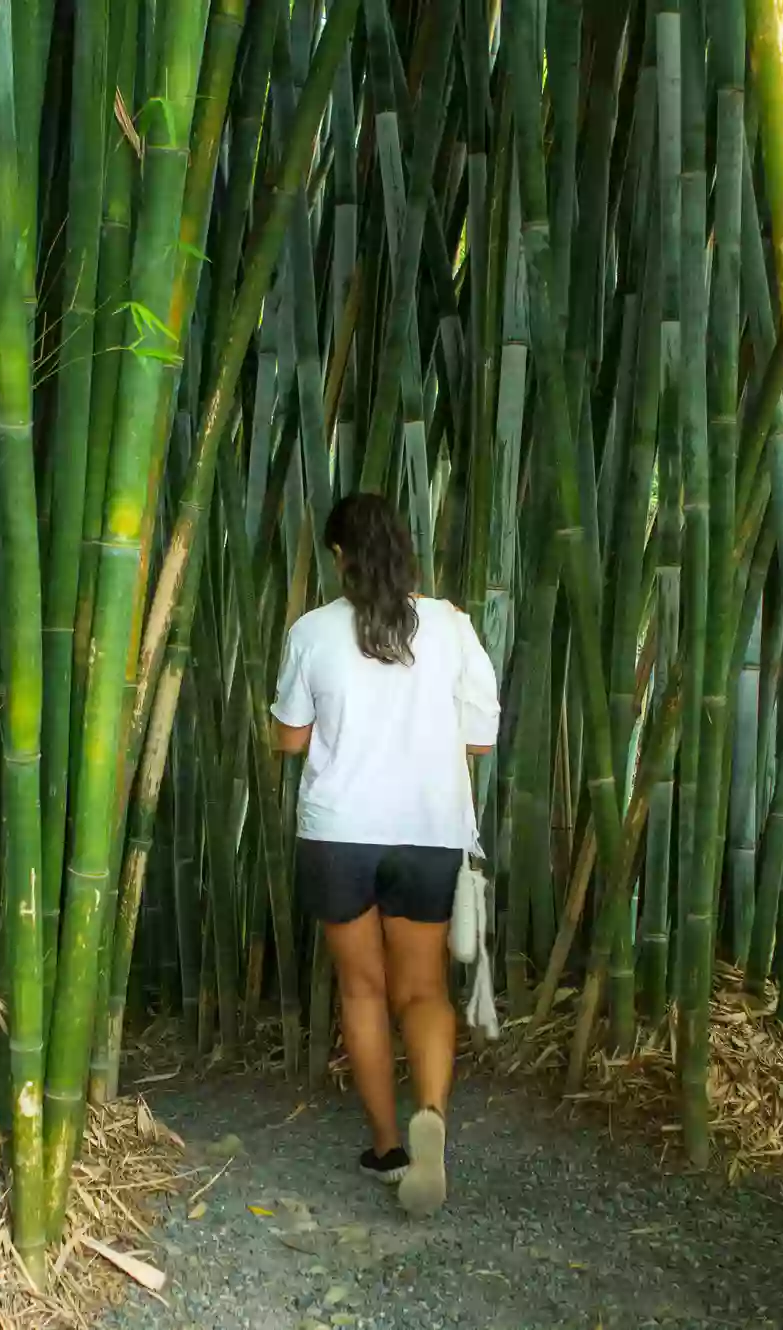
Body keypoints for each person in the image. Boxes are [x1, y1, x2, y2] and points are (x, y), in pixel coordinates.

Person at [270, 492, 500, 1218]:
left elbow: (289, 740)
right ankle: (429, 1111)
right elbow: (481, 739)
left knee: (362, 991)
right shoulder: (451, 626)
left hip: (341, 831)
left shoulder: (311, 631)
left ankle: (386, 1147)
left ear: (338, 557)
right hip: (429, 830)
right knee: (423, 991)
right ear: (405, 549)